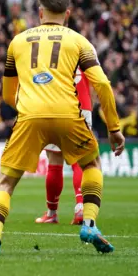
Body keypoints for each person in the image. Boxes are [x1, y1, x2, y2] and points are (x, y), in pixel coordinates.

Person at [0, 0, 125, 256]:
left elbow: (8, 93)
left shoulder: (18, 42)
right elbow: (101, 83)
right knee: (91, 164)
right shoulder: (80, 42)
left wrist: (27, 109)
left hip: (30, 116)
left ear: (40, 12)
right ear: (67, 13)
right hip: (69, 115)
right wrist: (114, 128)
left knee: (6, 183)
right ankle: (89, 223)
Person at [35, 68, 91, 225]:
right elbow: (96, 80)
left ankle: (52, 213)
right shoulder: (86, 47)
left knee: (54, 161)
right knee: (80, 160)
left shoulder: (47, 45)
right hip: (82, 104)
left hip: (55, 106)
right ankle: (81, 208)